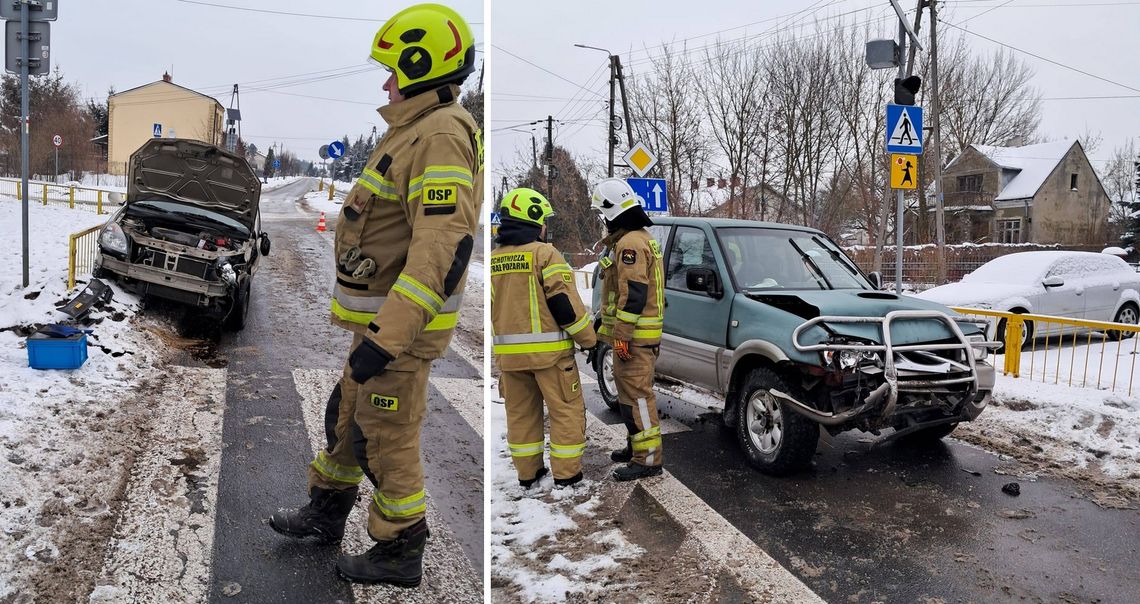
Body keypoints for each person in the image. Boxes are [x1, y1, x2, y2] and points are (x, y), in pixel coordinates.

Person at [268, 3, 482, 587]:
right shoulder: (415, 129)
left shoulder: (439, 134)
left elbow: (441, 249)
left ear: (421, 64)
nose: (386, 81)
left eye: (393, 68)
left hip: (399, 335)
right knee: (346, 419)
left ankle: (399, 549)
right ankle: (327, 510)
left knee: (384, 440)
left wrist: (387, 340)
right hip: (380, 328)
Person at [490, 188, 597, 489]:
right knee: (566, 412)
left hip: (510, 360)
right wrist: (589, 340)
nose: (546, 226)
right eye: (544, 219)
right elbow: (565, 306)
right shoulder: (544, 254)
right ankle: (567, 476)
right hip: (550, 358)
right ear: (534, 218)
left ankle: (528, 474)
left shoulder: (495, 259)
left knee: (521, 417)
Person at [590, 178, 665, 481]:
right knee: (628, 396)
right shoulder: (639, 238)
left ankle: (648, 460)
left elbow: (633, 295)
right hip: (636, 337)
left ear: (612, 211)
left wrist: (620, 337)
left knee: (638, 398)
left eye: (602, 214)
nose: (602, 221)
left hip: (634, 340)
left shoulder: (630, 243)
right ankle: (636, 447)